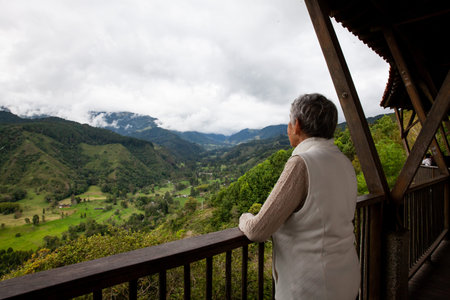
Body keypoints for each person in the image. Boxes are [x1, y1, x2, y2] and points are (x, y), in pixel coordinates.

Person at [239, 93, 360, 299]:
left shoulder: (301, 163)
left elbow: (258, 230)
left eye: (289, 121)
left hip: (311, 287)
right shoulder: (343, 161)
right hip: (347, 278)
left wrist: (244, 217)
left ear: (296, 125)